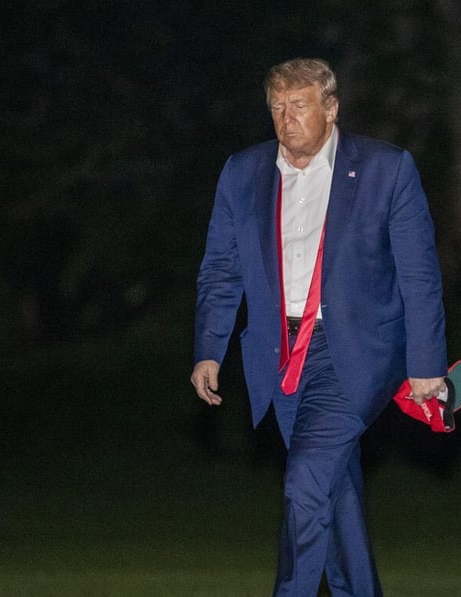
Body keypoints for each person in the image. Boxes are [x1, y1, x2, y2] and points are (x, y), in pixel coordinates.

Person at [190, 57, 447, 596]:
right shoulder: (242, 172)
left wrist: (426, 366)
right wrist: (209, 348)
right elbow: (221, 267)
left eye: (299, 106)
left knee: (305, 481)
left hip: (354, 350)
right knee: (335, 492)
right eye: (277, 108)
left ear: (331, 108)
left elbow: (418, 275)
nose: (287, 120)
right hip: (279, 353)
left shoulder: (386, 168)